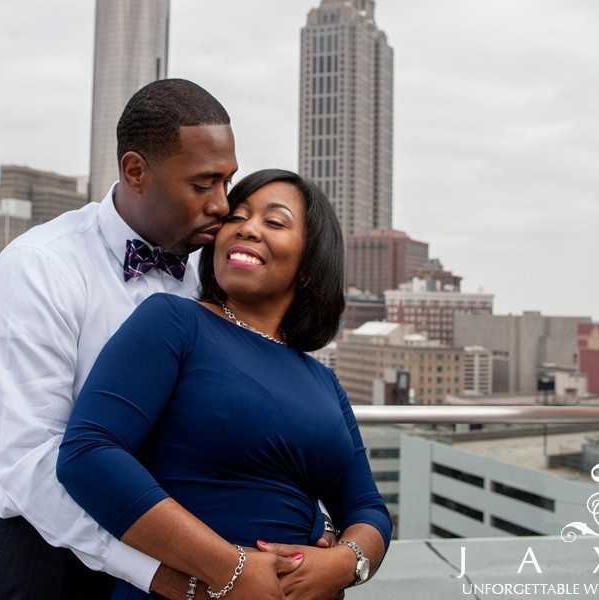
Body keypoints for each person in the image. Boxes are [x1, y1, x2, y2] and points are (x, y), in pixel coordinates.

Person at [0, 80, 333, 600]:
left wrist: (307, 517)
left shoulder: (214, 274)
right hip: (57, 563)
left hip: (202, 554)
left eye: (227, 182)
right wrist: (175, 576)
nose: (222, 205)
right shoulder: (38, 269)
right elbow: (34, 465)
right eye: (203, 184)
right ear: (135, 171)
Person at [57, 169, 391, 599]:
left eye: (274, 222)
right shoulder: (173, 321)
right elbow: (88, 454)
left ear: (311, 260)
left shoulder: (323, 380)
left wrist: (344, 562)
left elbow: (367, 508)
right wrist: (229, 570)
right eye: (237, 217)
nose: (248, 228)